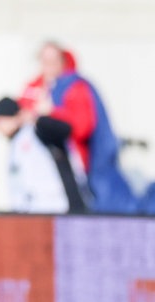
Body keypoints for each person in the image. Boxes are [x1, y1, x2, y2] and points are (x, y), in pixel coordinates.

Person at [18, 42, 138, 213]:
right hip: (37, 168)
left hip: (69, 166)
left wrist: (53, 112)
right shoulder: (34, 88)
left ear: (62, 61)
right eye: (44, 60)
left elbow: (82, 127)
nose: (48, 65)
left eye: (53, 60)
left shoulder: (75, 87)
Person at [0, 97, 87, 213]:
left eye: (0, 120)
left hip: (54, 207)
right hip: (30, 211)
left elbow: (65, 129)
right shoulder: (15, 143)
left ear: (16, 116)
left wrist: (35, 118)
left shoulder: (37, 131)